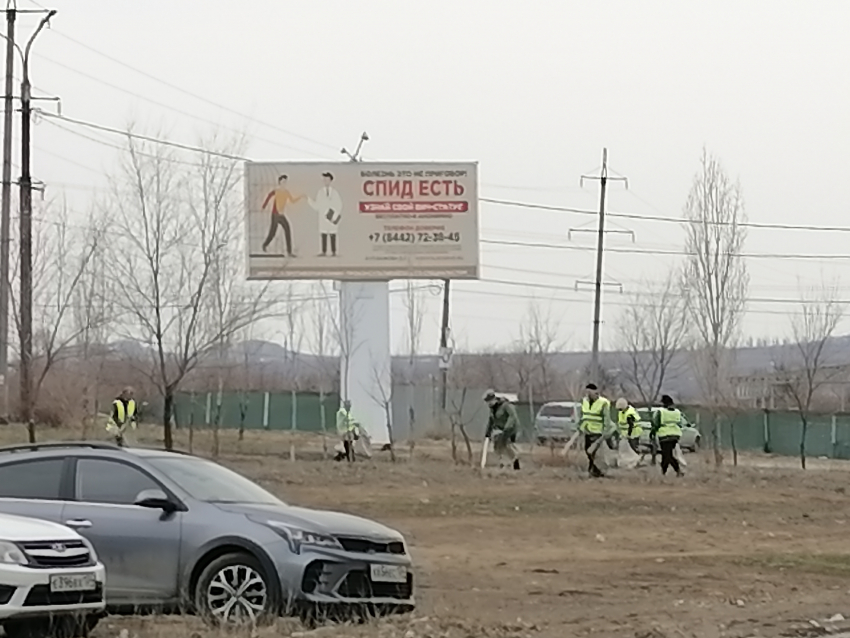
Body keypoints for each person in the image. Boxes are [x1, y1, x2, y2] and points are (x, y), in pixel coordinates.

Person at [261, 174, 304, 255]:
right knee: (272, 232)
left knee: (287, 229)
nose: (284, 183)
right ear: (280, 182)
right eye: (283, 181)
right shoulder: (276, 191)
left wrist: (300, 197)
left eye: (285, 182)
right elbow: (269, 196)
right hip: (275, 215)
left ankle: (289, 251)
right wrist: (264, 206)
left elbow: (292, 201)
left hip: (281, 215)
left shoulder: (286, 192)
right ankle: (265, 245)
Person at [579, 383, 614, 477]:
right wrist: (580, 426)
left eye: (589, 392)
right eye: (586, 392)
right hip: (587, 430)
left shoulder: (603, 403)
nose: (588, 394)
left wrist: (606, 431)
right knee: (587, 451)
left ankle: (593, 470)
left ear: (595, 392)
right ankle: (595, 469)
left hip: (597, 431)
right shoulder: (584, 401)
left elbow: (606, 418)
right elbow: (582, 415)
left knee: (594, 452)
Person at [483, 390, 520, 470]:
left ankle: (515, 461)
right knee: (497, 444)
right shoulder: (493, 409)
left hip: (510, 429)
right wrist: (488, 432)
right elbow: (491, 421)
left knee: (507, 445)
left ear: (494, 399)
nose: (489, 403)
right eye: (487, 402)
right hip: (500, 429)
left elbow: (512, 417)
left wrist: (507, 429)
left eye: (490, 401)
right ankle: (502, 463)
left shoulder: (506, 405)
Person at [308, 172, 343, 257]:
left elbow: (339, 204)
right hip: (323, 217)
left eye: (327, 179)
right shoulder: (320, 192)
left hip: (332, 216)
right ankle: (323, 251)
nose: (325, 181)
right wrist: (309, 201)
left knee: (332, 234)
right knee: (323, 234)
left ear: (331, 180)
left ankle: (334, 251)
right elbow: (317, 205)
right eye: (324, 180)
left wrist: (334, 213)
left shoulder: (335, 193)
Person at [650, 394, 684, 477]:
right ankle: (665, 471)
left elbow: (656, 424)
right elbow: (681, 423)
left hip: (664, 436)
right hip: (675, 436)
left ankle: (675, 470)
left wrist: (652, 433)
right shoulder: (677, 412)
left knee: (667, 455)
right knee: (666, 454)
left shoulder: (661, 412)